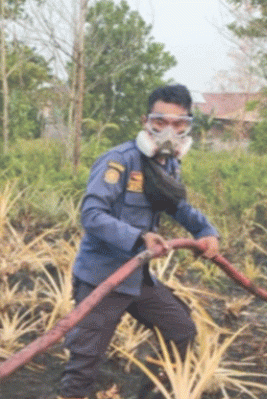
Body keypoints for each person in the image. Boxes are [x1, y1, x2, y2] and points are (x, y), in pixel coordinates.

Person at [56, 84, 220, 399]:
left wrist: (206, 230)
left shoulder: (169, 164)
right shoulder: (119, 161)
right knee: (85, 362)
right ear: (146, 120)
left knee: (180, 331)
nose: (169, 132)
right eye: (161, 122)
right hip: (103, 277)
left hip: (138, 276)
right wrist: (138, 238)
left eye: (178, 124)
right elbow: (92, 214)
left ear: (187, 126)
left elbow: (176, 206)